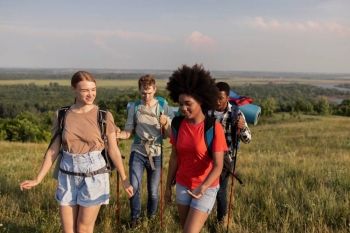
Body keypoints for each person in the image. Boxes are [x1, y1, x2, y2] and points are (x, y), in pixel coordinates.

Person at [20, 71, 133, 233]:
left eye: (93, 89)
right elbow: (53, 149)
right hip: (67, 174)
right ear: (74, 90)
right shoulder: (62, 115)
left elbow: (113, 150)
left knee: (83, 229)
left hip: (94, 174)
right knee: (69, 230)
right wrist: (38, 179)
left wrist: (124, 178)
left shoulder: (104, 116)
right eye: (85, 90)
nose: (90, 94)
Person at [164, 64, 228, 233]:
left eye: (188, 104)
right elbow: (174, 158)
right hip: (183, 184)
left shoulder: (213, 128)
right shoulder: (177, 124)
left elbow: (218, 165)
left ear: (200, 100)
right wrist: (167, 188)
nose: (183, 108)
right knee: (185, 229)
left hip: (206, 186)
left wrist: (204, 187)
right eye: (180, 104)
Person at [116, 74, 174, 228]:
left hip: (156, 153)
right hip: (138, 151)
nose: (146, 96)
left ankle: (151, 218)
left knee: (153, 191)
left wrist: (165, 124)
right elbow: (128, 131)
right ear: (139, 91)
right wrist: (118, 135)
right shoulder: (135, 107)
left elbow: (169, 136)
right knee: (134, 187)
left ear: (154, 90)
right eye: (143, 93)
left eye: (149, 92)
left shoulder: (162, 105)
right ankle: (134, 219)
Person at [207, 81, 251, 224]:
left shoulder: (236, 113)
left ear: (227, 98)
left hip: (226, 159)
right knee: (206, 188)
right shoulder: (206, 111)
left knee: (220, 192)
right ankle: (204, 216)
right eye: (214, 97)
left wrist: (242, 127)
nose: (217, 101)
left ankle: (220, 221)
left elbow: (247, 139)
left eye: (220, 97)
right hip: (207, 158)